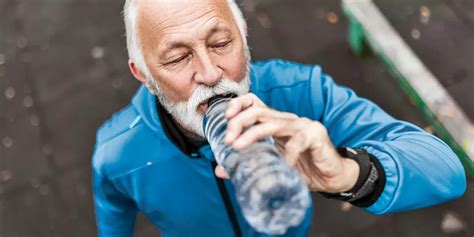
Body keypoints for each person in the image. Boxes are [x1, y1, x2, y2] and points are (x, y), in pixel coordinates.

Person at [91, 0, 467, 236]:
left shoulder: (300, 92)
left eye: (222, 43)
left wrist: (345, 173)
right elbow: (113, 217)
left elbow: (447, 172)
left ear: (244, 34)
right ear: (144, 75)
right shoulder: (118, 153)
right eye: (177, 58)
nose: (210, 73)